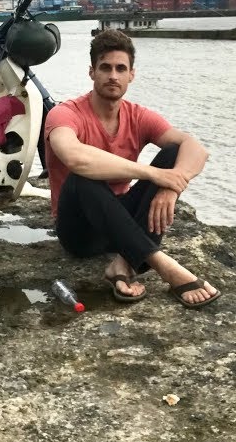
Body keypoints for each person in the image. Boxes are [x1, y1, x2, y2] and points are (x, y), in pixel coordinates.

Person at [43, 29, 221, 308]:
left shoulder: (138, 115)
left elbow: (195, 148)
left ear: (131, 75)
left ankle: (122, 263)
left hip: (121, 222)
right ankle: (164, 265)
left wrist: (171, 188)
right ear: (92, 72)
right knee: (82, 179)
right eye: (105, 68)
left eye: (120, 68)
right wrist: (153, 174)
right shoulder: (65, 114)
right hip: (80, 231)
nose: (113, 75)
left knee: (173, 153)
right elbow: (75, 157)